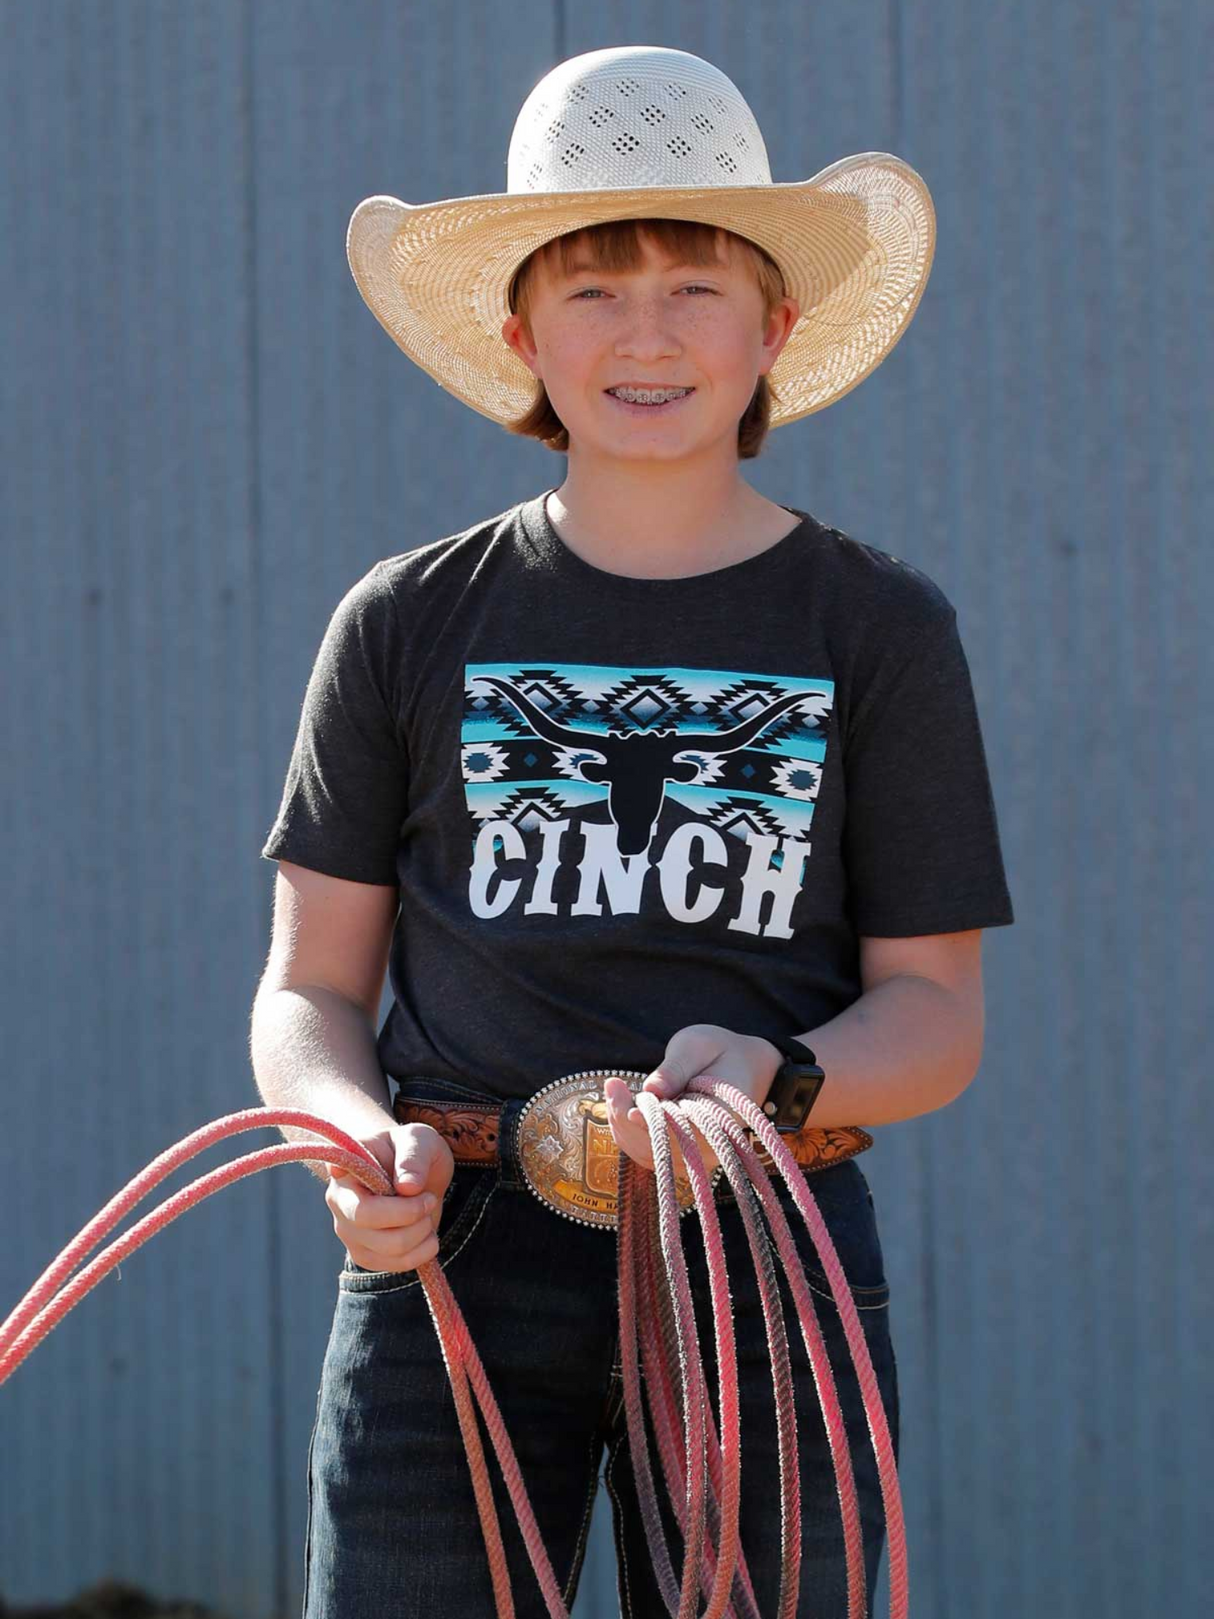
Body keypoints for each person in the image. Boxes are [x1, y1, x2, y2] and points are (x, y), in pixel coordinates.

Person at [251, 44, 1015, 1619]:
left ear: (772, 328)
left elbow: (934, 1014)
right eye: (593, 289)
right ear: (521, 334)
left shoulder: (877, 628)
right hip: (449, 1249)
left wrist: (777, 1077)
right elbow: (310, 986)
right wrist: (346, 1133)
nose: (646, 333)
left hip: (765, 1248)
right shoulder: (405, 620)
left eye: (693, 287)